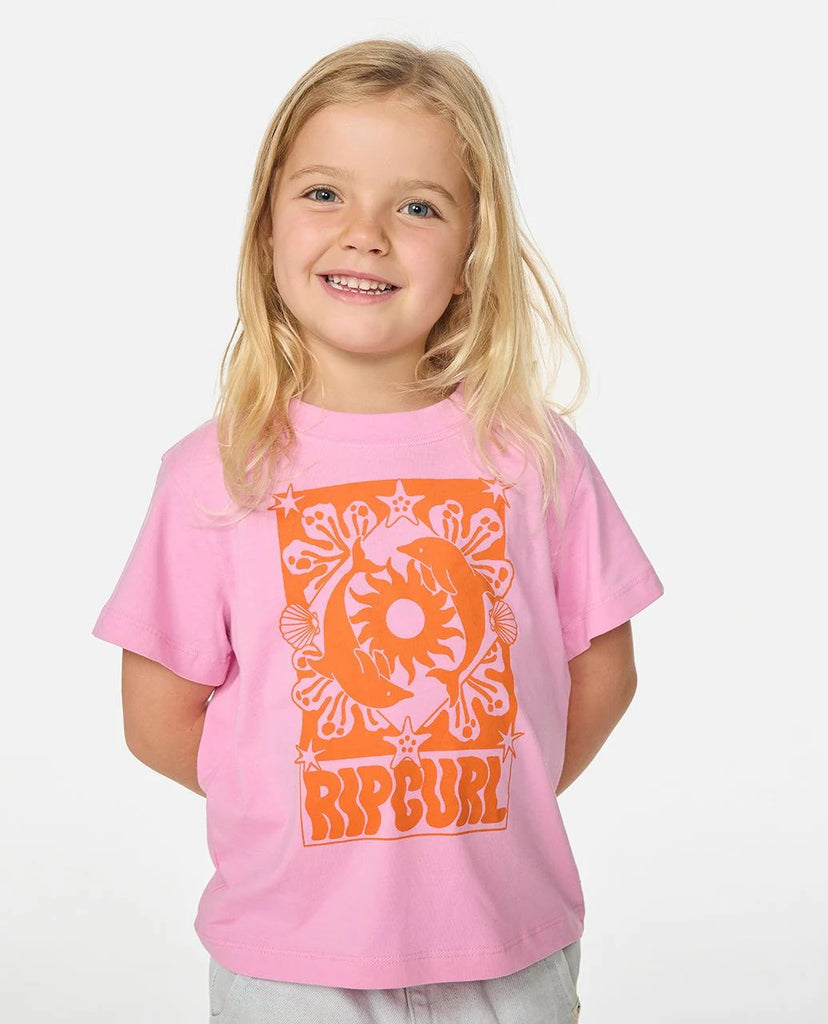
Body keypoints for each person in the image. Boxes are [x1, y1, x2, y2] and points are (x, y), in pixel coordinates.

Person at [92, 37, 664, 1024]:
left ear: (473, 252)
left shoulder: (533, 455)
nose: (366, 234)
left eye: (418, 206)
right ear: (267, 229)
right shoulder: (212, 475)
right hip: (290, 967)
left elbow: (604, 671)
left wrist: (483, 797)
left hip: (510, 955)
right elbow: (156, 717)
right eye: (325, 194)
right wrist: (302, 807)